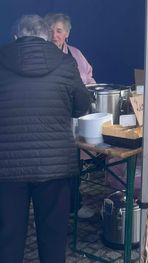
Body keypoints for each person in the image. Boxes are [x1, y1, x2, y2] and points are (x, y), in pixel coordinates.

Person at [0, 15, 91, 263]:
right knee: (53, 235)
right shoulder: (66, 63)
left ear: (16, 36)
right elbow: (81, 106)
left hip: (7, 165)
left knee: (8, 235)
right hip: (54, 165)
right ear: (46, 36)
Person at [45, 13, 95, 84]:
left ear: (67, 33)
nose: (54, 35)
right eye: (50, 31)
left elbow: (88, 78)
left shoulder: (76, 53)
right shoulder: (40, 54)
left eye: (59, 31)